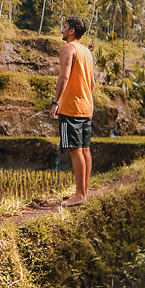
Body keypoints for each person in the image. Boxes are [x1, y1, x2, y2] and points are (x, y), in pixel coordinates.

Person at [49, 15, 95, 206]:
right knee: (84, 149)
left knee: (75, 150)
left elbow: (64, 77)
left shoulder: (69, 49)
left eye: (65, 26)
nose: (62, 30)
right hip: (86, 106)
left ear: (71, 31)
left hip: (71, 107)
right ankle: (84, 192)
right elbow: (92, 83)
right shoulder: (86, 51)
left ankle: (80, 195)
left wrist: (56, 102)